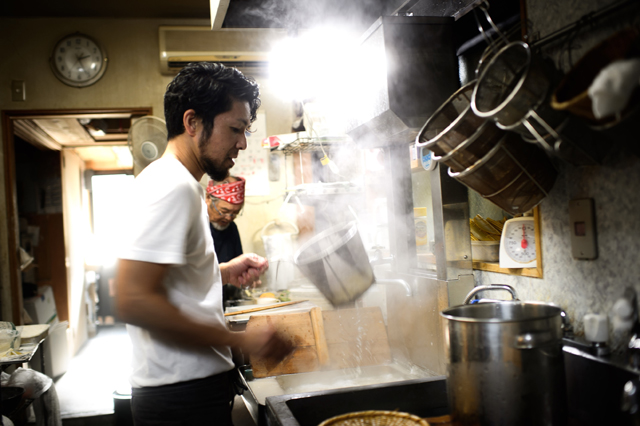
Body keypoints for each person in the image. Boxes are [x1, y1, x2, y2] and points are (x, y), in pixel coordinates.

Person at [115, 62, 292, 426]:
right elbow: (132, 299)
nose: (242, 143)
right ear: (192, 122)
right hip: (182, 401)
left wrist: (222, 272)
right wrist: (242, 341)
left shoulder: (168, 181)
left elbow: (164, 280)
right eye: (235, 129)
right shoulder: (174, 188)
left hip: (180, 394)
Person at [206, 176, 247, 306]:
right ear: (208, 198)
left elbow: (238, 262)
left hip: (225, 300)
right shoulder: (196, 226)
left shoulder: (231, 228)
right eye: (224, 211)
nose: (229, 218)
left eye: (235, 213)